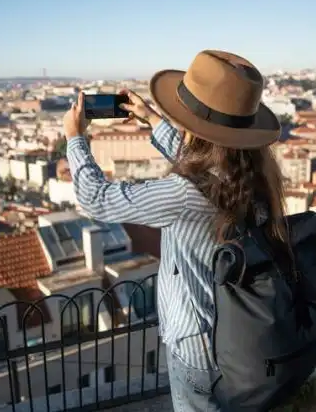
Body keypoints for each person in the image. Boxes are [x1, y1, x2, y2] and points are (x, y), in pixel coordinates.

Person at [64, 50, 286, 412]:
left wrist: (75, 138)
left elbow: (95, 198)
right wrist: (153, 121)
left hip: (197, 344)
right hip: (240, 335)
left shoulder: (185, 194)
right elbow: (200, 164)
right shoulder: (254, 177)